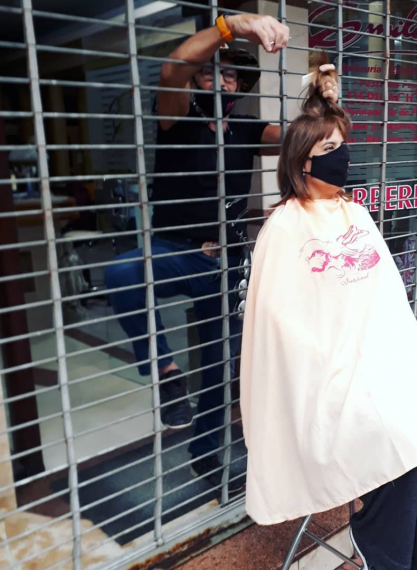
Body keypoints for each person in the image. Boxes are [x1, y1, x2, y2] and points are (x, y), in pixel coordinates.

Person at [239, 60, 417, 569]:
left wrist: (389, 365)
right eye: (329, 151)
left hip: (381, 369)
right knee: (394, 442)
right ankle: (387, 555)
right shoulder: (283, 228)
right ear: (301, 164)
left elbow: (386, 304)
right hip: (327, 383)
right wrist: (344, 367)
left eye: (343, 146)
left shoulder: (356, 214)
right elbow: (280, 329)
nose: (342, 158)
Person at [104, 14, 338, 491]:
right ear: (198, 79)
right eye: (212, 71)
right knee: (124, 272)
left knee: (220, 367)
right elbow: (172, 69)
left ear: (239, 84)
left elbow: (304, 141)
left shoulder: (247, 129)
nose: (222, 80)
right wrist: (234, 26)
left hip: (224, 263)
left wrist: (322, 100)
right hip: (174, 250)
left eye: (230, 74)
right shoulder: (176, 116)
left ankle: (206, 456)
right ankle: (167, 373)